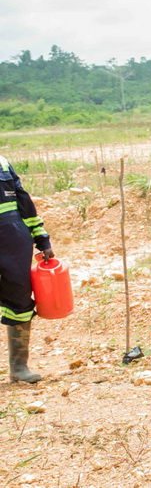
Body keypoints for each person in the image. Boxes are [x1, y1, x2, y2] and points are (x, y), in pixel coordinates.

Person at [1, 154, 54, 384]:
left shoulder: (2, 163)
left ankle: (19, 368)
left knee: (20, 302)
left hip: (13, 242)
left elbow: (25, 204)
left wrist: (42, 239)